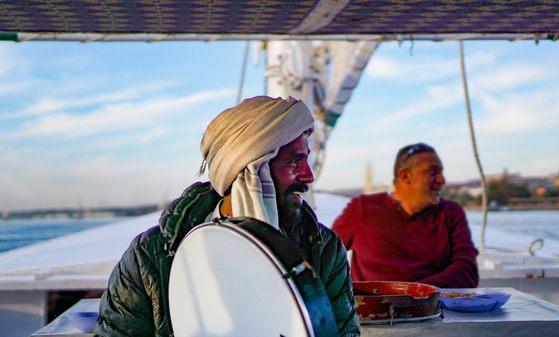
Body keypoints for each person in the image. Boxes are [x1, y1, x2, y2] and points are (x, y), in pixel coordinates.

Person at [94, 96, 360, 336]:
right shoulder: (150, 257)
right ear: (251, 170)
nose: (308, 176)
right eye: (293, 161)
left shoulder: (324, 248)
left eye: (306, 160)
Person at [332, 143, 479, 288]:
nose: (442, 180)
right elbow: (326, 257)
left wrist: (413, 292)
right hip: (371, 309)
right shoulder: (362, 209)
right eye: (433, 172)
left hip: (433, 309)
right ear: (405, 176)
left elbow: (467, 270)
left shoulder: (450, 213)